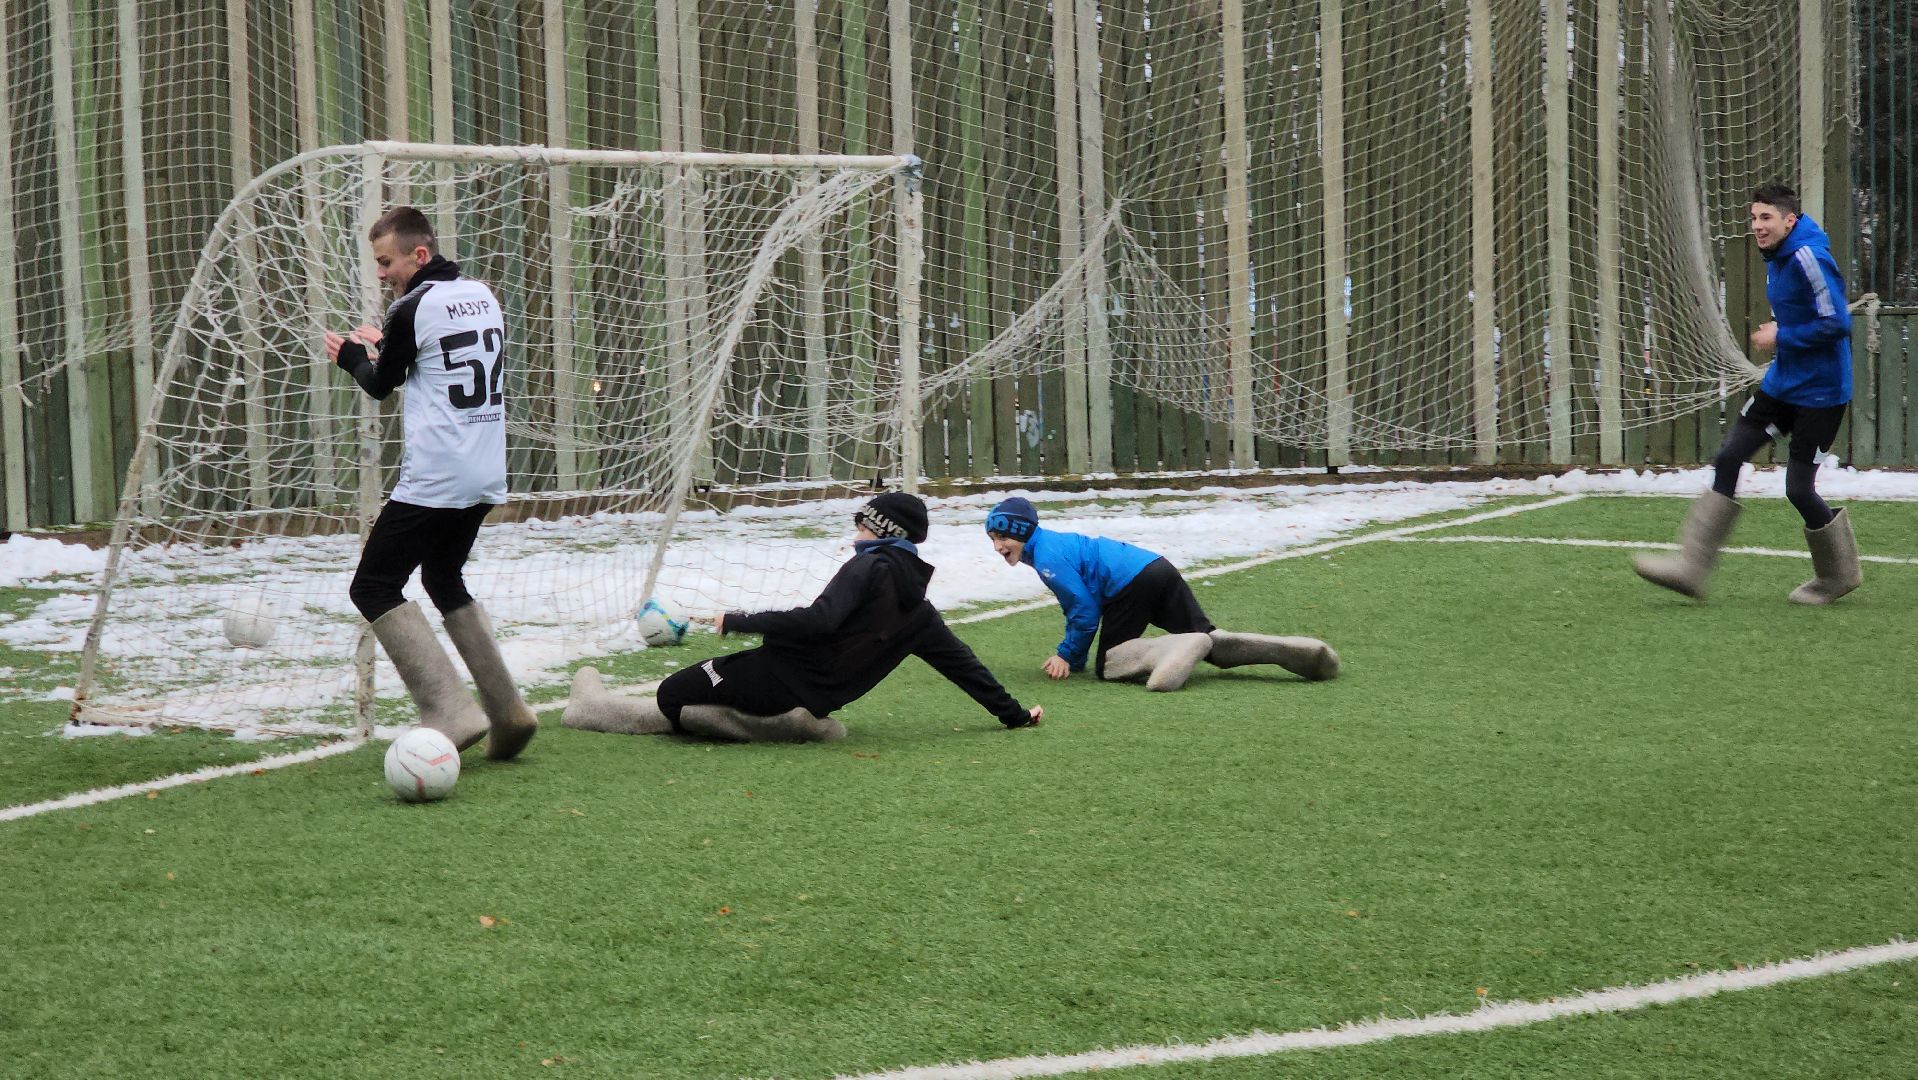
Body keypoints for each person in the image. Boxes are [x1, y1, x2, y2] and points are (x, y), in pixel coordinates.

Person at [321, 206, 538, 760]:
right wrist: (387, 341)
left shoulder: (411, 307)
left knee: (371, 587)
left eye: (386, 261)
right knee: (443, 575)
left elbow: (380, 383)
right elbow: (432, 358)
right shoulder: (480, 293)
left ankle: (449, 709)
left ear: (419, 256)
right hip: (485, 469)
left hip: (437, 474)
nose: (381, 273)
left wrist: (351, 356)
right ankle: (509, 712)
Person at [563, 493, 1043, 741]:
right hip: (820, 696)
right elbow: (962, 664)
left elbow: (818, 621)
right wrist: (1014, 715)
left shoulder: (869, 565)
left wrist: (740, 620)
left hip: (778, 679)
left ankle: (772, 726)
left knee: (672, 694)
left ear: (879, 531)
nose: (855, 532)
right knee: (707, 690)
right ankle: (797, 720)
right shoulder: (919, 608)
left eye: (861, 524)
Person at [1633, 182, 1861, 604]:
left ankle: (1838, 575)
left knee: (1798, 489)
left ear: (1789, 221)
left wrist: (1782, 333)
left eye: (1766, 218)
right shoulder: (1778, 254)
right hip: (1782, 386)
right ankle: (1691, 569)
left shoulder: (1809, 257)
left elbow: (1837, 323)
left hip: (1821, 395)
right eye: (1754, 218)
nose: (1757, 226)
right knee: (1728, 456)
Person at [983, 496, 1339, 692]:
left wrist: (1067, 655)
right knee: (1209, 639)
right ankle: (1293, 651)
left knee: (1108, 665)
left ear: (1023, 532)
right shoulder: (1048, 546)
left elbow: (1083, 609)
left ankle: (1178, 647)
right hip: (1157, 566)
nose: (999, 547)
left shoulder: (1046, 557)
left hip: (1131, 584)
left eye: (1004, 538)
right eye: (994, 540)